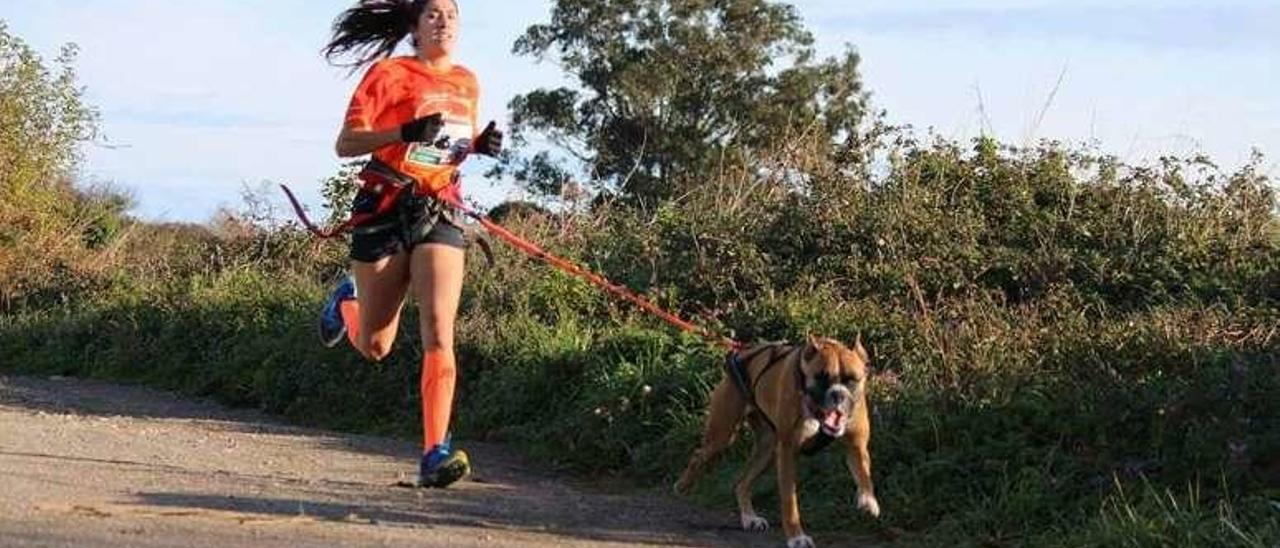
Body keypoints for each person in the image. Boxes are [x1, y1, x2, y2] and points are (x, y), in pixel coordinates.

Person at [318, 0, 502, 488]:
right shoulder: (389, 73)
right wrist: (403, 131)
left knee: (440, 329)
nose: (444, 21)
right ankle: (347, 303)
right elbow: (346, 143)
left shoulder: (467, 80)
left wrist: (478, 147)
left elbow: (451, 148)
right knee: (376, 345)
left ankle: (434, 452)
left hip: (439, 209)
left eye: (452, 14)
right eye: (434, 14)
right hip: (384, 207)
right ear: (415, 28)